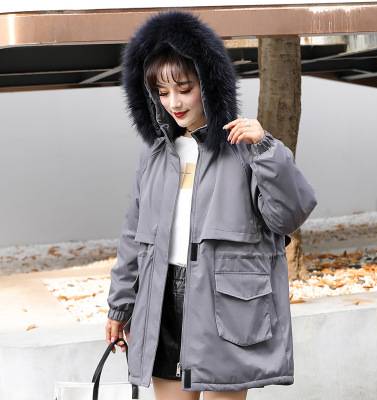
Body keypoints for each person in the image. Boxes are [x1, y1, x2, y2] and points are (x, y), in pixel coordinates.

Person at [105, 10, 317, 400]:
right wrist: (119, 307)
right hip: (161, 300)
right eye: (162, 92)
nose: (173, 102)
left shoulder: (246, 148)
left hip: (226, 303)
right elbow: (133, 238)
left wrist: (266, 148)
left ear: (208, 82)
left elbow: (289, 214)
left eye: (184, 88)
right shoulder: (155, 155)